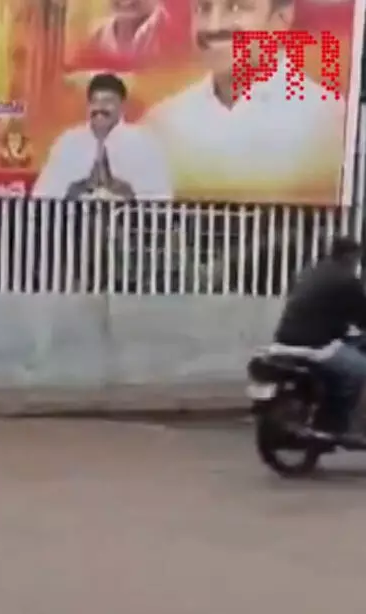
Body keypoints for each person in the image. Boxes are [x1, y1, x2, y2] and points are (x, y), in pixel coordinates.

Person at [141, 0, 346, 203]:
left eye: (236, 7)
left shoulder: (329, 121)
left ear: (280, 19)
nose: (214, 26)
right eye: (203, 8)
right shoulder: (161, 124)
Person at [272, 237, 366, 433]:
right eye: (357, 257)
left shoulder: (311, 272)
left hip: (285, 338)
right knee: (358, 370)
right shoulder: (347, 280)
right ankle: (334, 424)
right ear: (350, 256)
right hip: (315, 343)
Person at [32, 72, 172, 200]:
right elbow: (42, 195)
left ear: (122, 106)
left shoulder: (143, 143)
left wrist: (127, 194)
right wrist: (74, 191)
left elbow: (161, 198)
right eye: (94, 101)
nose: (99, 108)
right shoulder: (68, 142)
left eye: (108, 101)